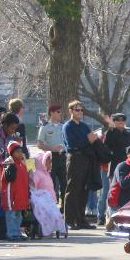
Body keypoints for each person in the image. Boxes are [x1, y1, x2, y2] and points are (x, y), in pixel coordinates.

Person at [63, 100, 98, 231]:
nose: (80, 112)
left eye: (81, 110)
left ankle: (81, 220)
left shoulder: (84, 126)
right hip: (74, 158)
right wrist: (87, 140)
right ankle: (69, 220)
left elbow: (91, 142)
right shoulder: (68, 126)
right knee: (73, 190)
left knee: (84, 190)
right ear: (70, 111)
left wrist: (92, 140)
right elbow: (72, 144)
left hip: (86, 159)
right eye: (77, 110)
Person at [30, 151, 67, 236]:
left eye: (50, 161)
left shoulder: (47, 174)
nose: (50, 163)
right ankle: (46, 228)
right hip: (42, 201)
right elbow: (33, 188)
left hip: (50, 201)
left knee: (54, 214)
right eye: (48, 161)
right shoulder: (37, 174)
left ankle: (56, 226)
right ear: (41, 162)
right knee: (46, 215)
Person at [37, 104, 67, 207]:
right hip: (50, 158)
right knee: (51, 182)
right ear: (52, 113)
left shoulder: (63, 126)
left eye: (60, 112)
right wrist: (52, 148)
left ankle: (64, 207)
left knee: (64, 183)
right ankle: (51, 206)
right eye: (58, 112)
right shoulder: (45, 127)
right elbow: (39, 144)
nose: (60, 114)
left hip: (63, 157)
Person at [1, 141, 30, 242]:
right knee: (11, 215)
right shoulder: (8, 163)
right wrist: (11, 165)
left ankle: (17, 232)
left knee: (18, 215)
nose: (20, 153)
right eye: (17, 152)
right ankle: (12, 233)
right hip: (11, 195)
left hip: (20, 195)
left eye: (21, 151)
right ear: (11, 153)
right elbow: (8, 177)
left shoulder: (22, 164)